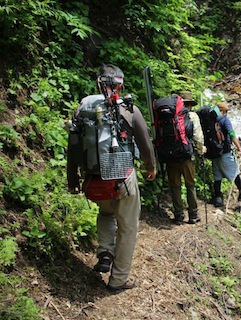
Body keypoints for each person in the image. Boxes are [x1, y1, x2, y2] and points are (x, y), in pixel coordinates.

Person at [67, 64, 156, 291]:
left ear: (98, 82)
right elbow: (145, 144)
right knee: (128, 227)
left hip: (94, 179)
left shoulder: (83, 108)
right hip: (123, 177)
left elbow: (73, 145)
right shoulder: (129, 109)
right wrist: (150, 166)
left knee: (106, 213)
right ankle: (118, 279)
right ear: (120, 84)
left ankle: (105, 252)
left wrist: (72, 179)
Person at [166, 91, 205, 224]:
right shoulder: (192, 115)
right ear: (189, 104)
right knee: (190, 184)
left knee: (175, 186)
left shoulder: (168, 114)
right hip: (186, 155)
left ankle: (178, 215)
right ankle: (193, 214)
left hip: (170, 155)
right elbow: (198, 136)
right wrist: (200, 150)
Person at [211, 101, 241, 207]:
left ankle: (218, 199)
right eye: (226, 111)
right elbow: (232, 133)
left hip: (214, 154)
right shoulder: (225, 120)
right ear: (222, 111)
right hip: (225, 152)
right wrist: (239, 148)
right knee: (234, 173)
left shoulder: (210, 120)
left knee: (217, 177)